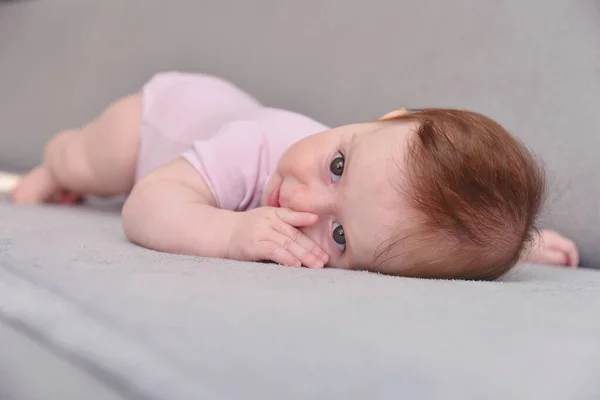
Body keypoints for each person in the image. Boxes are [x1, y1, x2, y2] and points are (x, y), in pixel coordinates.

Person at [10, 72, 579, 279]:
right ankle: (52, 162)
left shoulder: (385, 203)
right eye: (337, 166)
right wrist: (229, 234)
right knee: (88, 162)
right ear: (387, 120)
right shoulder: (258, 142)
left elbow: (436, 237)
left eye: (339, 237)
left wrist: (511, 246)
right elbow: (146, 204)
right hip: (157, 121)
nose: (305, 203)